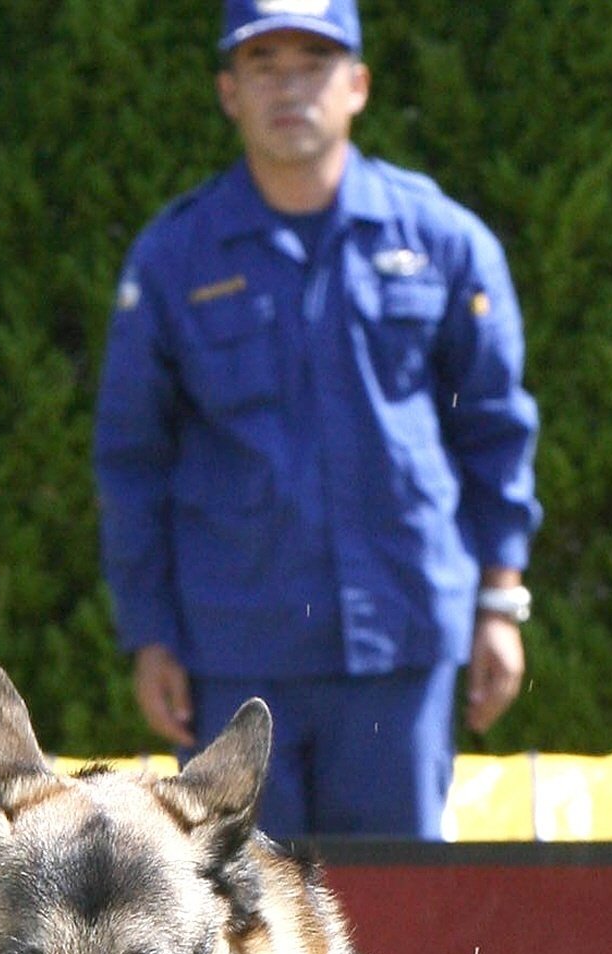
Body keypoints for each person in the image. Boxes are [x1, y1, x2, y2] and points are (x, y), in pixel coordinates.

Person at [94, 0, 542, 840]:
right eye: (264, 65)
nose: (289, 86)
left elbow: (495, 427)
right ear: (229, 91)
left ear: (359, 85)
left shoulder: (442, 241)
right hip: (238, 659)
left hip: (399, 646)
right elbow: (132, 457)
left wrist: (500, 604)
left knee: (398, 932)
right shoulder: (173, 259)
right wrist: (149, 635)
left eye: (314, 61)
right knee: (244, 935)